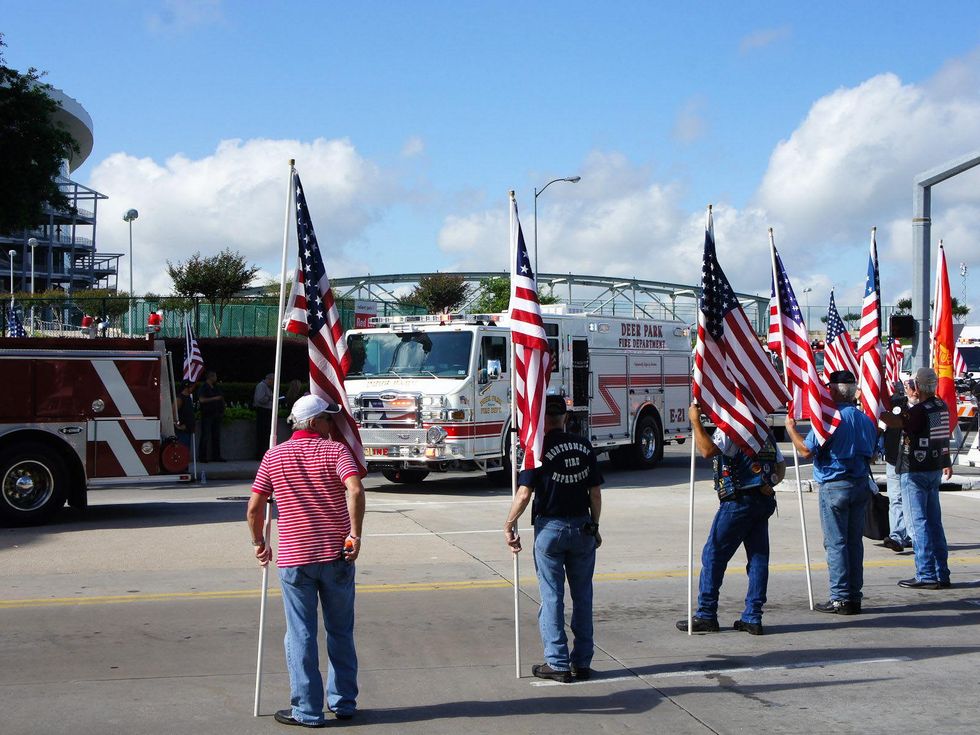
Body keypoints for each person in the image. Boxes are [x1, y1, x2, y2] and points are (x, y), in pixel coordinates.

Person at [246, 394, 365, 727]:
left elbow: (254, 508)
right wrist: (355, 534)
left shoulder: (274, 456)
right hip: (336, 554)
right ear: (314, 423)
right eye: (327, 419)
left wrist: (259, 543)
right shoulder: (336, 451)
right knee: (340, 630)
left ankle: (308, 710)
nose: (331, 425)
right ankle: (343, 702)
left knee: (300, 634)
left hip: (296, 558)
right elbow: (354, 489)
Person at [503, 395, 603, 683]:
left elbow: (524, 494)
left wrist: (509, 523)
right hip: (582, 526)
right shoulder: (584, 446)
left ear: (541, 419)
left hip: (551, 529)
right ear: (566, 418)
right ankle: (582, 661)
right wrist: (594, 526)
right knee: (583, 596)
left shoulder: (537, 449)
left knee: (552, 597)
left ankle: (558, 662)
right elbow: (595, 493)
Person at [677, 402, 785, 636]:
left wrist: (695, 421)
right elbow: (780, 466)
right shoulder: (763, 429)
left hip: (738, 501)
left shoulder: (732, 429)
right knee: (757, 559)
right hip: (761, 502)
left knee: (713, 554)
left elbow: (706, 451)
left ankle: (706, 614)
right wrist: (770, 481)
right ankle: (753, 616)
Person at [786, 370, 877, 615]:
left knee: (836, 544)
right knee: (854, 543)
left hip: (835, 485)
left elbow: (807, 451)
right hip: (859, 484)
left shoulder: (831, 419)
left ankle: (840, 598)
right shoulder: (865, 419)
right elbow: (875, 452)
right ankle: (854, 596)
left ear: (835, 391)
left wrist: (791, 430)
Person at [882, 367, 953, 589]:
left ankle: (926, 574)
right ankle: (942, 572)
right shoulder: (941, 406)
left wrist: (878, 410)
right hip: (933, 469)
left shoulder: (920, 410)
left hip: (915, 471)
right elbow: (943, 437)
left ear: (918, 386)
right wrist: (946, 461)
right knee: (934, 523)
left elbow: (897, 422)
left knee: (917, 524)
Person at [881, 387, 912, 553]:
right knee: (895, 498)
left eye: (915, 386)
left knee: (912, 501)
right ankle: (897, 537)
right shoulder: (895, 404)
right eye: (909, 386)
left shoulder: (927, 407)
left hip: (915, 464)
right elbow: (881, 426)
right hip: (894, 459)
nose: (912, 390)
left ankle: (912, 536)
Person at [197, 371, 225, 462]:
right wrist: (215, 398)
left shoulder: (216, 387)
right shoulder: (204, 387)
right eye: (215, 376)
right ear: (210, 377)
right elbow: (201, 400)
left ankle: (216, 456)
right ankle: (202, 457)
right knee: (205, 436)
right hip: (207, 414)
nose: (216, 378)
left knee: (216, 436)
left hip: (217, 414)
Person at [253, 373, 276, 459]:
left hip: (267, 411)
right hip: (263, 411)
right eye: (273, 381)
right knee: (262, 434)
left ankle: (264, 453)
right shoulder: (262, 386)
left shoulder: (267, 387)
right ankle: (260, 454)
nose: (273, 383)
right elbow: (260, 399)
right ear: (269, 379)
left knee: (266, 433)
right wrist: (270, 397)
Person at [174, 380, 196, 449]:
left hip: (188, 429)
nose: (193, 388)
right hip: (182, 431)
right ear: (187, 387)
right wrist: (177, 425)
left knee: (186, 450)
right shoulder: (180, 398)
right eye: (191, 387)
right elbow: (173, 412)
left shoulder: (188, 398)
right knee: (182, 449)